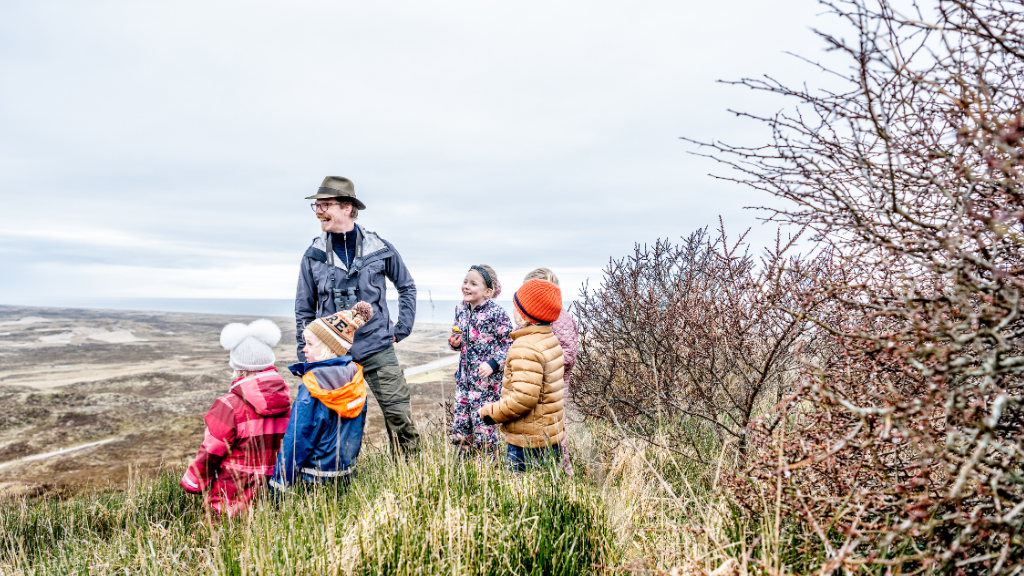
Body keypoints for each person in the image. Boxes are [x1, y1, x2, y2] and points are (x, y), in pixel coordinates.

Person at [295, 176, 419, 455]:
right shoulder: (313, 254)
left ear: (348, 207)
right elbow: (304, 308)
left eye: (325, 205)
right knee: (331, 425)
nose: (318, 211)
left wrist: (403, 327)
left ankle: (411, 480)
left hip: (377, 347)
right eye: (316, 206)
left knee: (400, 417)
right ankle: (334, 482)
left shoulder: (380, 248)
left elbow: (407, 286)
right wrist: (305, 354)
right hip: (332, 354)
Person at [181, 319, 291, 515]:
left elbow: (211, 451)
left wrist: (193, 482)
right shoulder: (288, 403)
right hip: (276, 500)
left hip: (230, 501)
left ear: (239, 368)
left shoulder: (228, 406)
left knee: (217, 543)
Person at [271, 303, 373, 491]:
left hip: (312, 479)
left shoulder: (313, 386)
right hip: (345, 475)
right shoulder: (355, 380)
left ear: (330, 348)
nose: (304, 349)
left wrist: (279, 486)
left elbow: (297, 439)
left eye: (310, 344)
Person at [479, 279, 566, 472]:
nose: (513, 310)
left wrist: (489, 413)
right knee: (547, 492)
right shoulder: (550, 340)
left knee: (520, 494)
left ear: (525, 315)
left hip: (526, 443)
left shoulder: (525, 347)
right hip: (550, 438)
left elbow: (523, 399)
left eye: (516, 306)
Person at [446, 265, 513, 453]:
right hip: (463, 382)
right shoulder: (460, 309)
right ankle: (462, 471)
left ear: (488, 292)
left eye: (473, 283)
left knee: (484, 431)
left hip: (486, 386)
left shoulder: (497, 314)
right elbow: (457, 339)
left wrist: (493, 364)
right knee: (460, 429)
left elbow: (510, 345)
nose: (466, 286)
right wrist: (455, 344)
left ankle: (489, 473)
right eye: (465, 281)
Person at [523, 268, 578, 474]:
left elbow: (568, 355)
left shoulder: (560, 319)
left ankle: (563, 475)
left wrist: (538, 361)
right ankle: (538, 474)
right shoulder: (535, 318)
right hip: (536, 387)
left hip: (554, 389)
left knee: (555, 434)